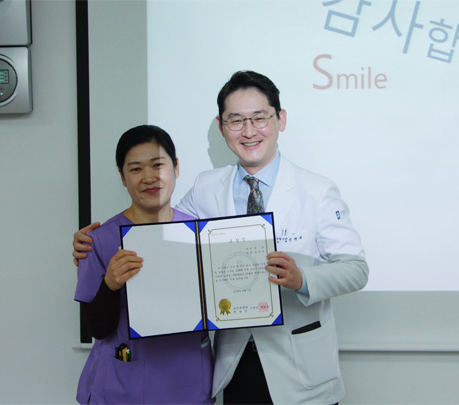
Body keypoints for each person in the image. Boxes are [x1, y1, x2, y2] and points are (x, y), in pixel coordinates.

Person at [73, 72, 368, 404]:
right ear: (222, 126)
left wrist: (303, 279)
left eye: (259, 118)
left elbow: (356, 269)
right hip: (234, 364)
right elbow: (162, 229)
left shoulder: (317, 190)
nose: (249, 131)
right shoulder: (206, 188)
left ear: (280, 119)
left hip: (301, 367)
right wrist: (91, 243)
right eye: (236, 121)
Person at [74, 125, 213, 404]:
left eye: (158, 165)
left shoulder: (202, 234)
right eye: (136, 169)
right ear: (122, 177)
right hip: (121, 384)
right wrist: (110, 285)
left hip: (188, 380)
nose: (149, 177)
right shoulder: (98, 241)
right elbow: (95, 328)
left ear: (176, 167)